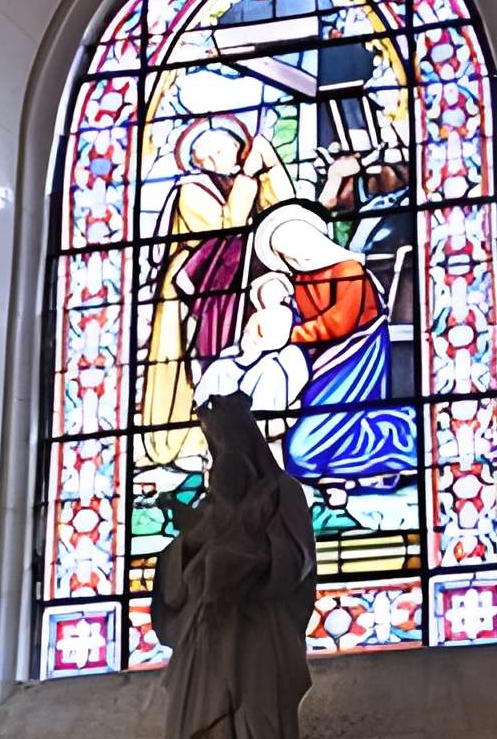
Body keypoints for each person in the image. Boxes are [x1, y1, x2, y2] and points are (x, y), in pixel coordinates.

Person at [150, 392, 316, 739]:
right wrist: (197, 546)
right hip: (205, 640)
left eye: (224, 441)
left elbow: (295, 559)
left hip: (256, 633)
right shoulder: (205, 512)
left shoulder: (280, 492)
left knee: (255, 725)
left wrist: (240, 567)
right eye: (213, 446)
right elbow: (172, 587)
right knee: (205, 731)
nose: (219, 454)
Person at [138, 118, 294, 472]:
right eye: (207, 154)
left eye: (222, 149)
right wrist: (249, 179)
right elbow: (227, 227)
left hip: (238, 290)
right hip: (191, 295)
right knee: (192, 368)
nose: (216, 158)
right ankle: (190, 440)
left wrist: (270, 169)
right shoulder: (190, 190)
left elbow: (285, 212)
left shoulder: (241, 180)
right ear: (197, 160)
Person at [249, 203, 417, 489]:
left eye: (293, 243)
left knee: (299, 454)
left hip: (357, 357)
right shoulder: (301, 279)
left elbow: (340, 322)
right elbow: (300, 318)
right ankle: (367, 461)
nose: (293, 255)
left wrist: (289, 335)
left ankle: (405, 438)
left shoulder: (348, 270)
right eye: (283, 252)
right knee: (300, 451)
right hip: (322, 361)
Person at [193, 274, 309, 440]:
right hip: (246, 356)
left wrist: (256, 346)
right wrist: (248, 348)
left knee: (266, 374)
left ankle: (254, 424)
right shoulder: (257, 314)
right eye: (264, 291)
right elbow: (247, 337)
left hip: (266, 358)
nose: (266, 295)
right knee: (220, 368)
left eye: (272, 291)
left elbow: (275, 340)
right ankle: (205, 412)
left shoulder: (284, 315)